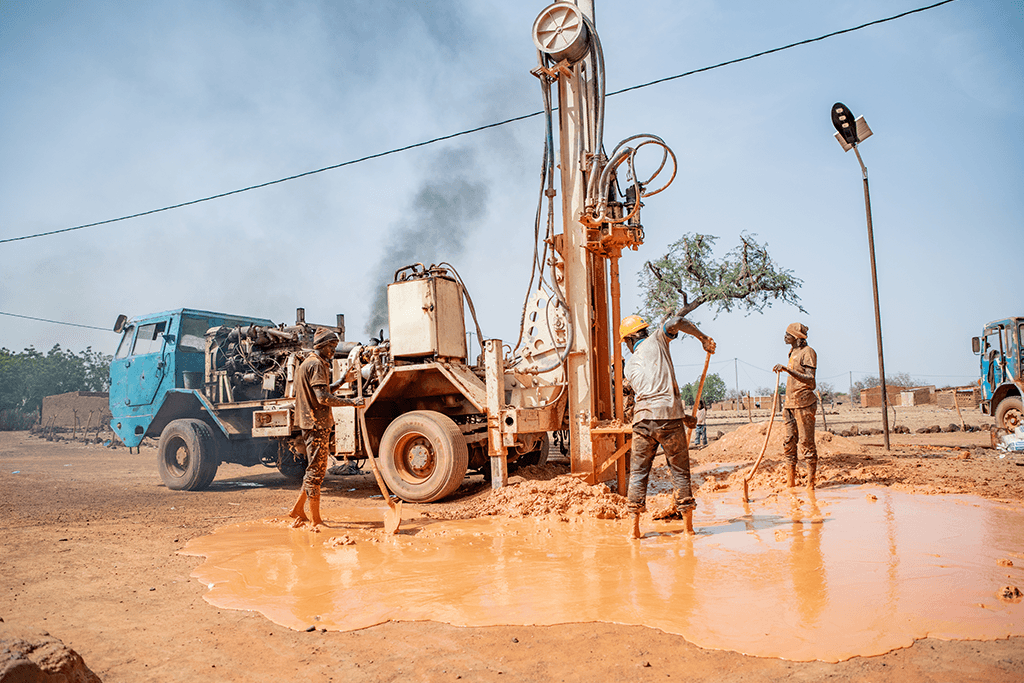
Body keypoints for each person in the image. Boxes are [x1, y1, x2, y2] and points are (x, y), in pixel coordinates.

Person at [620, 313, 716, 539]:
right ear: (642, 332)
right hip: (668, 420)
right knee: (680, 472)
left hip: (642, 422)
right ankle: (688, 529)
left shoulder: (629, 365)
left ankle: (634, 531)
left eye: (626, 341)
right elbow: (675, 321)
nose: (626, 345)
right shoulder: (657, 340)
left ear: (631, 338)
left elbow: (651, 397)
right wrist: (702, 338)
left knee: (637, 475)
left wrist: (683, 417)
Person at [289, 327, 363, 528]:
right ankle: (315, 520)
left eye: (335, 347)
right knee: (316, 471)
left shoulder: (310, 363)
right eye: (331, 346)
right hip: (315, 424)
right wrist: (352, 402)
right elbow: (322, 398)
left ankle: (297, 509)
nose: (333, 350)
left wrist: (342, 381)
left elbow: (321, 391)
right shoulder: (317, 365)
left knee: (315, 469)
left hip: (312, 423)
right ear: (321, 345)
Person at [772, 322, 817, 489]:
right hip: (790, 404)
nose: (785, 336)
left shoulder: (808, 352)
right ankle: (790, 483)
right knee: (789, 442)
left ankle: (810, 486)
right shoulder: (792, 352)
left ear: (797, 338)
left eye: (788, 334)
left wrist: (787, 370)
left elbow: (810, 379)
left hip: (804, 402)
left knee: (806, 443)